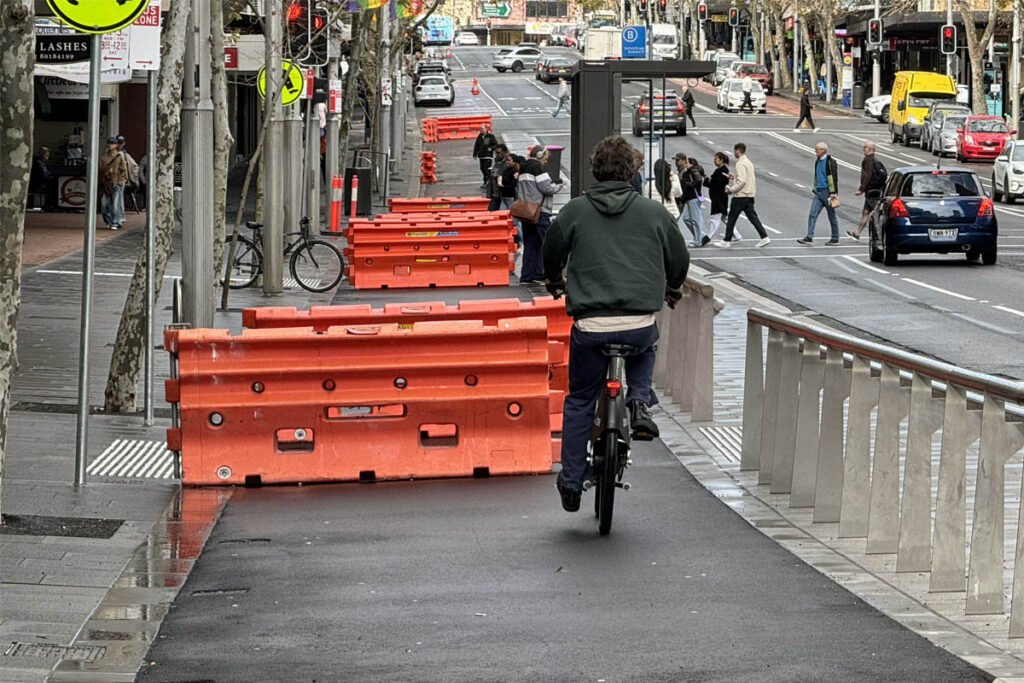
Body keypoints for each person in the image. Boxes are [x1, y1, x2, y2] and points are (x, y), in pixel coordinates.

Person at [541, 134, 689, 512]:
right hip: (638, 320)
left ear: (594, 171)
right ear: (632, 171)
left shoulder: (574, 211)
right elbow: (679, 259)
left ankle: (571, 481)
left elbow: (551, 252)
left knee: (578, 400)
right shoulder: (654, 213)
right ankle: (639, 400)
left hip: (591, 326)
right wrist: (671, 288)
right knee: (646, 341)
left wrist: (555, 280)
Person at [517, 145, 563, 283]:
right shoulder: (538, 167)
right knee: (546, 243)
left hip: (526, 211)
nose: (546, 161)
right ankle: (549, 274)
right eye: (545, 158)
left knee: (530, 244)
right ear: (539, 156)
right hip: (539, 211)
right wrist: (558, 186)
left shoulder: (523, 167)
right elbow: (546, 188)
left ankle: (528, 274)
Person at [713, 143, 771, 248]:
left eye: (734, 151)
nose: (733, 153)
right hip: (749, 195)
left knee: (731, 218)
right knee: (753, 217)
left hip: (741, 196)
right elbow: (745, 177)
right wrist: (734, 177)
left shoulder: (740, 164)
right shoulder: (748, 162)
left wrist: (731, 190)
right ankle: (764, 237)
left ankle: (726, 240)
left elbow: (742, 181)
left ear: (737, 151)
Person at [797, 141, 840, 245]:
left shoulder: (830, 162)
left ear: (822, 150)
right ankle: (809, 236)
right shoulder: (817, 161)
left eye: (817, 149)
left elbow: (834, 177)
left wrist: (833, 192)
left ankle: (835, 238)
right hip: (819, 192)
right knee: (812, 214)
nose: (815, 151)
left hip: (827, 192)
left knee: (831, 215)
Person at [847, 141, 885, 241]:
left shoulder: (868, 159)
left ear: (871, 149)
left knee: (877, 215)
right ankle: (857, 233)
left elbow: (867, 175)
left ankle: (880, 236)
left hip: (871, 191)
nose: (863, 149)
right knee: (865, 212)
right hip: (874, 190)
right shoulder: (876, 160)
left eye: (865, 147)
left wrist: (861, 189)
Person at [703, 151, 741, 243]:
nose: (714, 161)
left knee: (715, 218)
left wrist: (708, 180)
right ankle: (737, 235)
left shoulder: (723, 171)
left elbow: (716, 183)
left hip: (719, 198)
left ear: (721, 160)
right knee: (725, 218)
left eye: (716, 159)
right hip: (718, 197)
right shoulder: (719, 170)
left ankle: (708, 237)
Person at [674, 153, 706, 247]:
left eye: (687, 162)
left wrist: (688, 184)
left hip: (694, 197)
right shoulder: (688, 171)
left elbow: (699, 180)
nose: (686, 164)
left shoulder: (693, 170)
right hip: (688, 198)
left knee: (696, 219)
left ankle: (698, 240)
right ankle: (700, 236)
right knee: (686, 218)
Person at [99, 136, 127, 230]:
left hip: (115, 182)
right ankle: (108, 220)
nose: (110, 145)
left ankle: (114, 222)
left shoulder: (119, 157)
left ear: (115, 145)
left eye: (112, 143)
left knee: (115, 203)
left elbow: (123, 171)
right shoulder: (103, 157)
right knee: (104, 204)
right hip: (105, 182)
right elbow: (99, 169)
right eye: (109, 143)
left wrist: (120, 182)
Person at [487, 144, 509, 211]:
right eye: (496, 153)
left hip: (504, 193)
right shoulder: (496, 162)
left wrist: (498, 176)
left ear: (504, 152)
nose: (497, 154)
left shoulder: (508, 163)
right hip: (495, 192)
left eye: (499, 153)